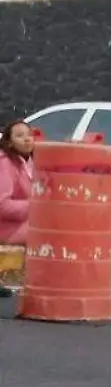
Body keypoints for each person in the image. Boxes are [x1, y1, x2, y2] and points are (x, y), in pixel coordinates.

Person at [0, 120, 33, 299]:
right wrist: (35, 207)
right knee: (48, 233)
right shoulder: (5, 164)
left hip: (24, 222)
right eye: (20, 136)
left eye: (29, 135)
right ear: (10, 142)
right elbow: (2, 205)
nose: (27, 139)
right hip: (7, 227)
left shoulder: (28, 162)